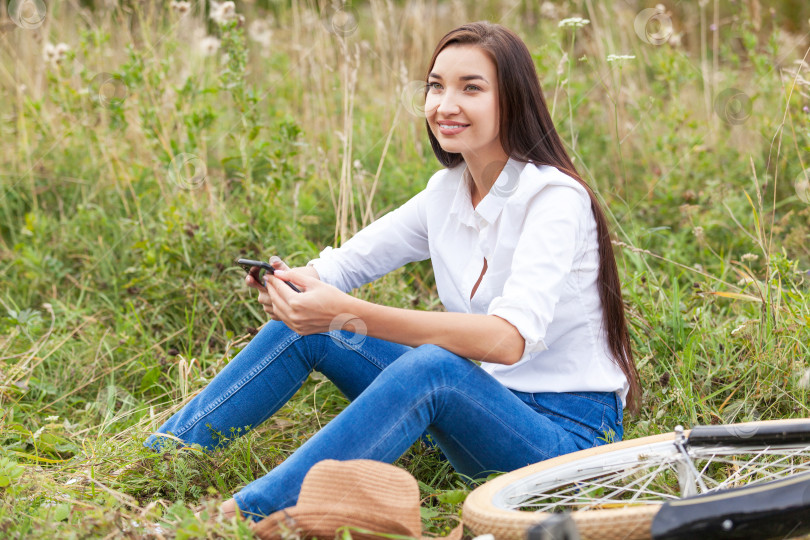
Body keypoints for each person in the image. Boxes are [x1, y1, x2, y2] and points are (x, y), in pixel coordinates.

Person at [144, 20, 640, 522]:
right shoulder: (446, 191)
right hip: (482, 413)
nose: (446, 104)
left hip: (564, 447)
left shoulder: (553, 198)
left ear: (511, 100)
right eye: (435, 86)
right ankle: (160, 458)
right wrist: (295, 287)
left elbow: (508, 340)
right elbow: (344, 265)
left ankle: (244, 517)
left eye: (471, 88)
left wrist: (345, 311)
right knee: (307, 333)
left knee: (434, 367)